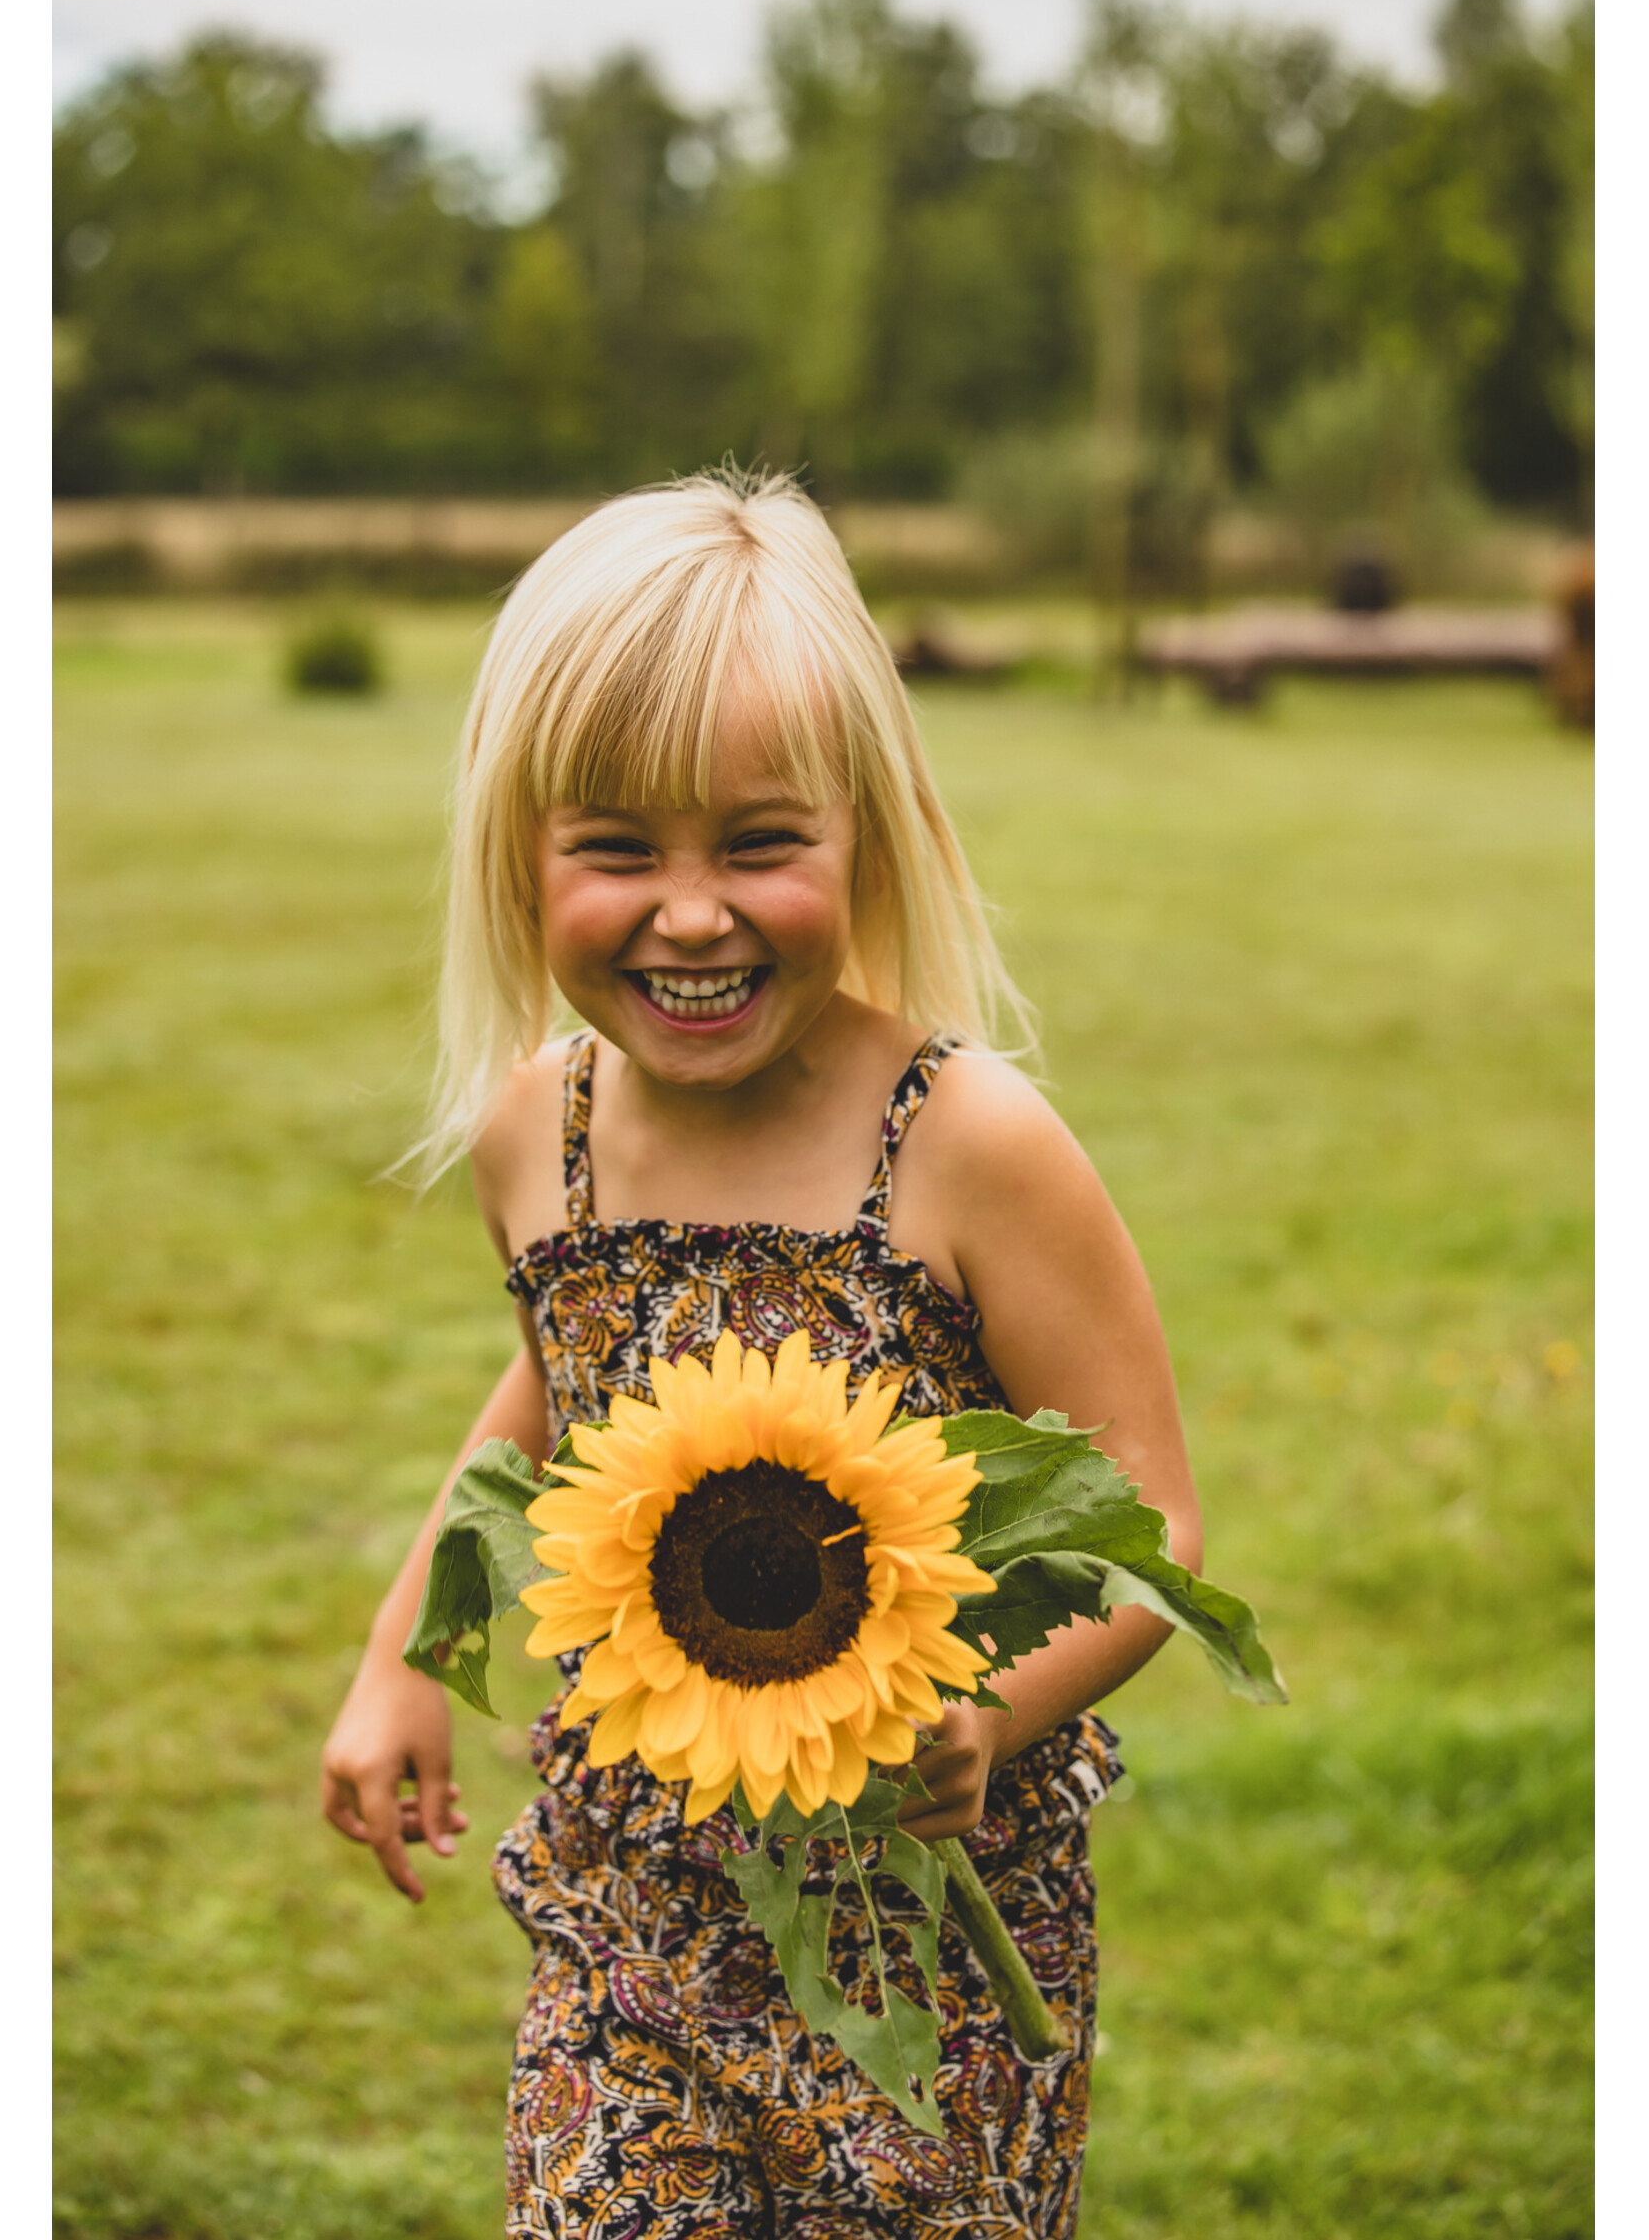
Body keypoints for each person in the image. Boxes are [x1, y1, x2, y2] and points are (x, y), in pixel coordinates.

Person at [321, 467, 1202, 2239]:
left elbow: (1156, 1528)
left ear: (867, 833)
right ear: (520, 851)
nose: (695, 912)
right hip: (629, 1908)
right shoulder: (539, 1138)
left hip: (928, 1943)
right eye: (620, 847)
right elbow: (546, 1413)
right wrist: (406, 1658)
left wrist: (985, 1718)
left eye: (761, 842)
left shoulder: (965, 1144)